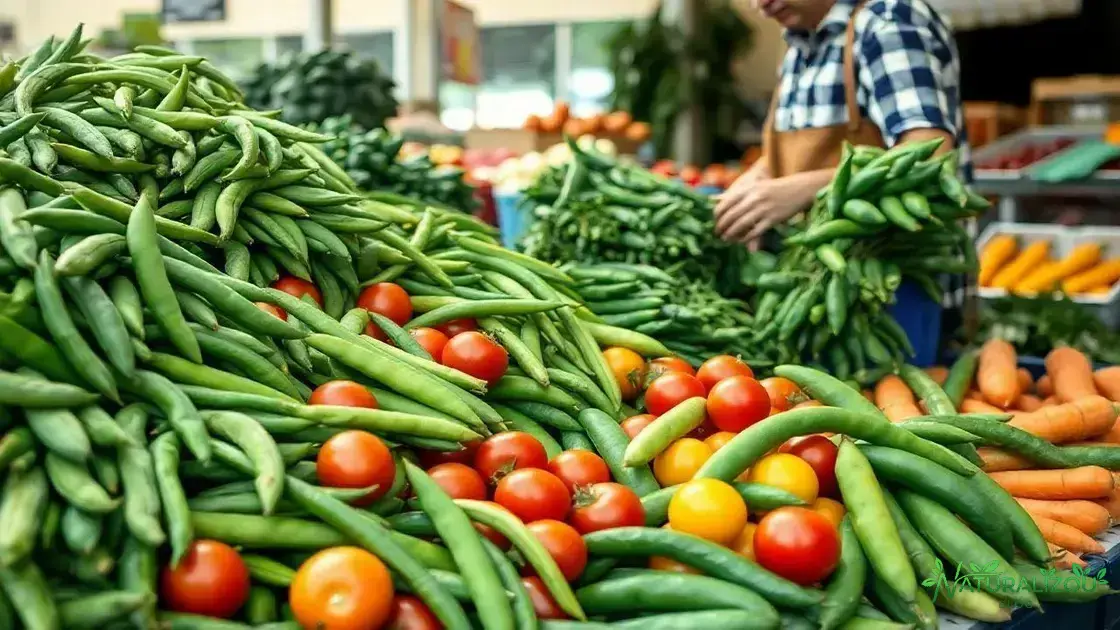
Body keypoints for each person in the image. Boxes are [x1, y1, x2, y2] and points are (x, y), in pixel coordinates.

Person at [715, 0, 970, 247]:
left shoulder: (886, 22)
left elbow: (931, 159)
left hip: (901, 277)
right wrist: (758, 182)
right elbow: (800, 157)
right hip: (828, 275)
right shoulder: (799, 46)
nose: (760, 4)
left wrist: (804, 191)